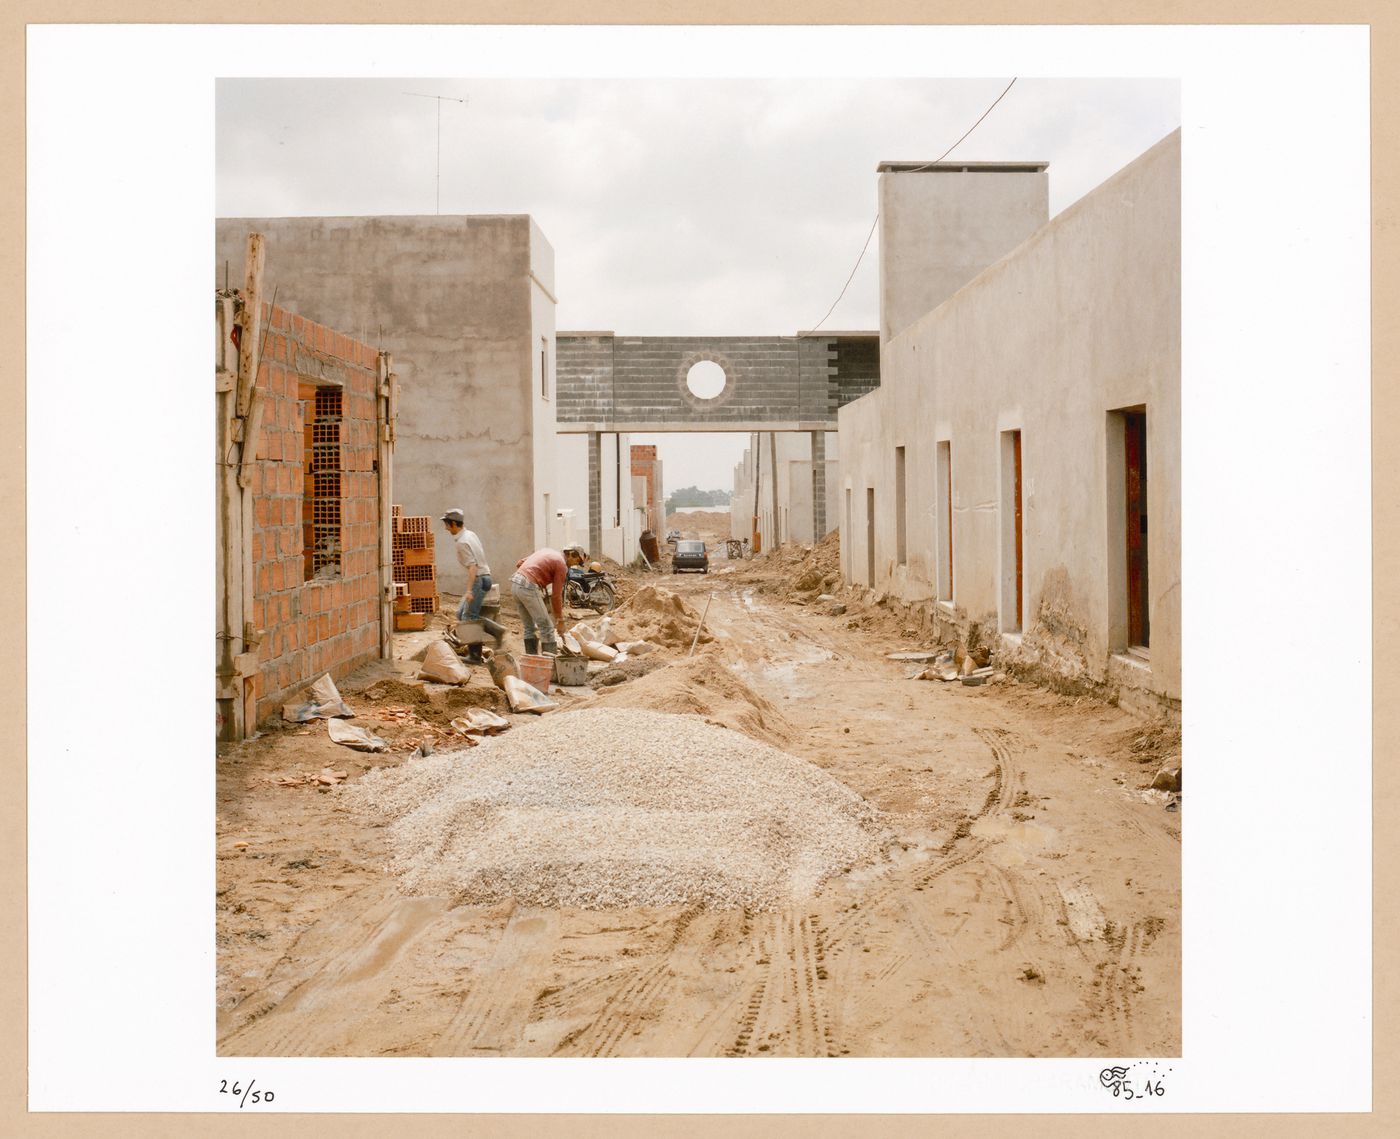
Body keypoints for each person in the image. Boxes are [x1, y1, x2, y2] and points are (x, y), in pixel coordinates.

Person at [440, 510, 506, 656]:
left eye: (447, 525)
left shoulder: (462, 542)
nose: (445, 528)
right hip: (484, 576)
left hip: (478, 579)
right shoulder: (470, 534)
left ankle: (476, 654)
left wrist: (469, 590)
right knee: (460, 614)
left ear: (454, 524)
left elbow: (473, 567)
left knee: (469, 618)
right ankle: (496, 630)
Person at [511, 544, 587, 656]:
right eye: (577, 561)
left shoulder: (547, 552)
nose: (576, 564)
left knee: (529, 627)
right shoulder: (561, 565)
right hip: (528, 587)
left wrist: (540, 576)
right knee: (547, 627)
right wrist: (560, 621)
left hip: (516, 583)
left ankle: (532, 662)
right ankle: (549, 664)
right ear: (571, 554)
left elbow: (519, 563)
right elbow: (556, 596)